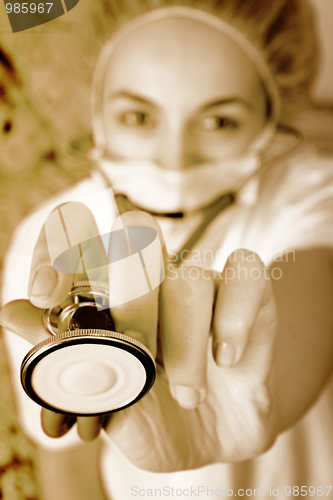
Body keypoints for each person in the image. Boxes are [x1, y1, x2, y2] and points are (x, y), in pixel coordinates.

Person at [1, 1, 333, 499]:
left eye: (219, 122)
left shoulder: (308, 190)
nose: (174, 157)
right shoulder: (57, 242)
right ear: (98, 112)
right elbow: (69, 468)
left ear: (270, 117)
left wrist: (266, 398)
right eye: (138, 116)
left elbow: (311, 296)